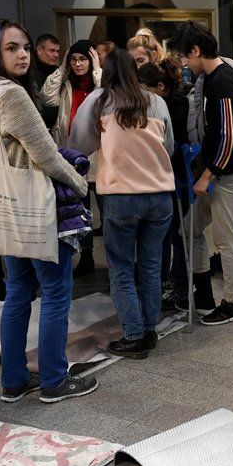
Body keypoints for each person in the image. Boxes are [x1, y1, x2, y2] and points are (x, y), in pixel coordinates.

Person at [0, 18, 97, 404]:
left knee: (19, 291)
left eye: (24, 47)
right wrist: (79, 182)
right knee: (56, 292)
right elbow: (46, 155)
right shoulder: (11, 94)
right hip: (32, 209)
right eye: (11, 48)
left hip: (1, 209)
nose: (22, 54)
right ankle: (54, 379)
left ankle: (14, 380)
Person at [69, 50, 175, 358]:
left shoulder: (98, 101)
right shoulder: (156, 101)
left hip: (120, 196)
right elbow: (167, 146)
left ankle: (133, 336)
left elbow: (78, 145)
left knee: (122, 269)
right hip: (159, 196)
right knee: (152, 267)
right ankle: (150, 330)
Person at [168, 21, 233, 325]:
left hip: (229, 171)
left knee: (225, 238)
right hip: (218, 168)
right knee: (191, 231)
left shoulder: (222, 81)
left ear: (196, 50)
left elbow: (230, 136)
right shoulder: (211, 77)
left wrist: (208, 174)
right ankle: (203, 296)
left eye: (183, 56)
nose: (182, 63)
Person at [39, 39, 103, 276]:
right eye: (74, 59)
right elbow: (47, 97)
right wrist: (62, 67)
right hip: (72, 158)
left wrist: (97, 69)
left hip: (99, 155)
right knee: (80, 210)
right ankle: (86, 257)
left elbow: (106, 93)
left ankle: (113, 260)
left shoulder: (100, 82)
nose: (78, 64)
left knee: (106, 210)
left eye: (83, 59)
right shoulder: (65, 85)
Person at [137, 60, 191, 307]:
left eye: (143, 88)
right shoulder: (167, 102)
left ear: (159, 86)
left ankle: (179, 286)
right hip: (168, 176)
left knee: (176, 234)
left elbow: (168, 145)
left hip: (177, 177)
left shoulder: (171, 105)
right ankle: (166, 281)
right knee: (168, 234)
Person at [33, 33, 62, 129]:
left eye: (58, 51)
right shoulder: (27, 71)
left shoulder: (56, 71)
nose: (56, 55)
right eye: (52, 51)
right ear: (39, 50)